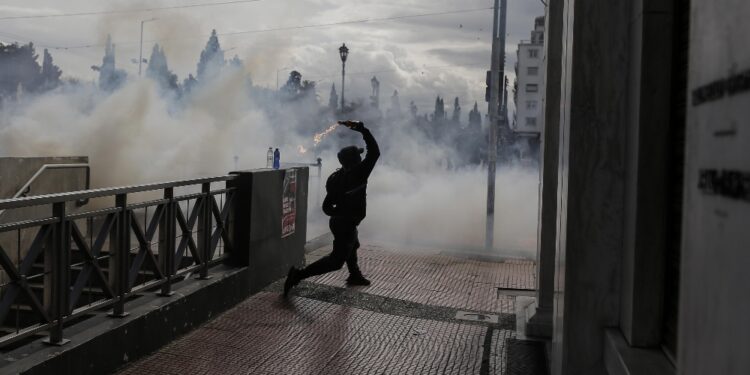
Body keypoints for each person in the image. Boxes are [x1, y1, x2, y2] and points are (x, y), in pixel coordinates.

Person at [284, 121, 380, 297]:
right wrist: (363, 130)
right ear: (354, 161)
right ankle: (298, 275)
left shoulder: (335, 177)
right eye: (358, 157)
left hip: (338, 222)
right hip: (345, 223)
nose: (361, 158)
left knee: (353, 244)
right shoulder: (358, 173)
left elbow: (327, 207)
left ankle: (354, 275)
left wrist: (341, 212)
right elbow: (375, 153)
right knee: (336, 261)